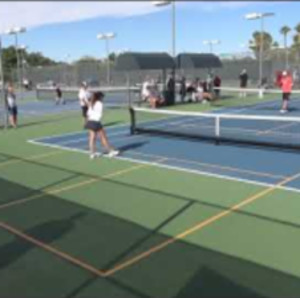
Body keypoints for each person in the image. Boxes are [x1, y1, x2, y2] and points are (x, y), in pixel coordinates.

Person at [85, 91, 119, 159]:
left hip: (90, 121)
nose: (103, 98)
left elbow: (88, 113)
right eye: (102, 97)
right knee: (103, 138)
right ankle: (110, 152)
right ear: (100, 97)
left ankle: (92, 154)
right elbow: (99, 114)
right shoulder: (99, 103)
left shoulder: (91, 103)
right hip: (96, 122)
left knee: (92, 138)